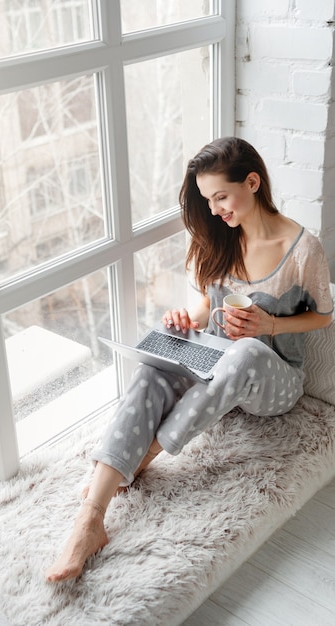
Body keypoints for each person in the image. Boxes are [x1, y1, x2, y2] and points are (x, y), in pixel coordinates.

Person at [45, 136, 333, 582]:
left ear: (252, 182)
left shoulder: (302, 248)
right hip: (215, 361)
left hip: (273, 380)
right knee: (152, 369)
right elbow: (206, 303)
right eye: (207, 200)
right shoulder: (222, 236)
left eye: (221, 196)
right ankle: (90, 518)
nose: (215, 209)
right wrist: (185, 318)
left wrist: (269, 326)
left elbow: (323, 317)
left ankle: (143, 455)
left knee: (246, 353)